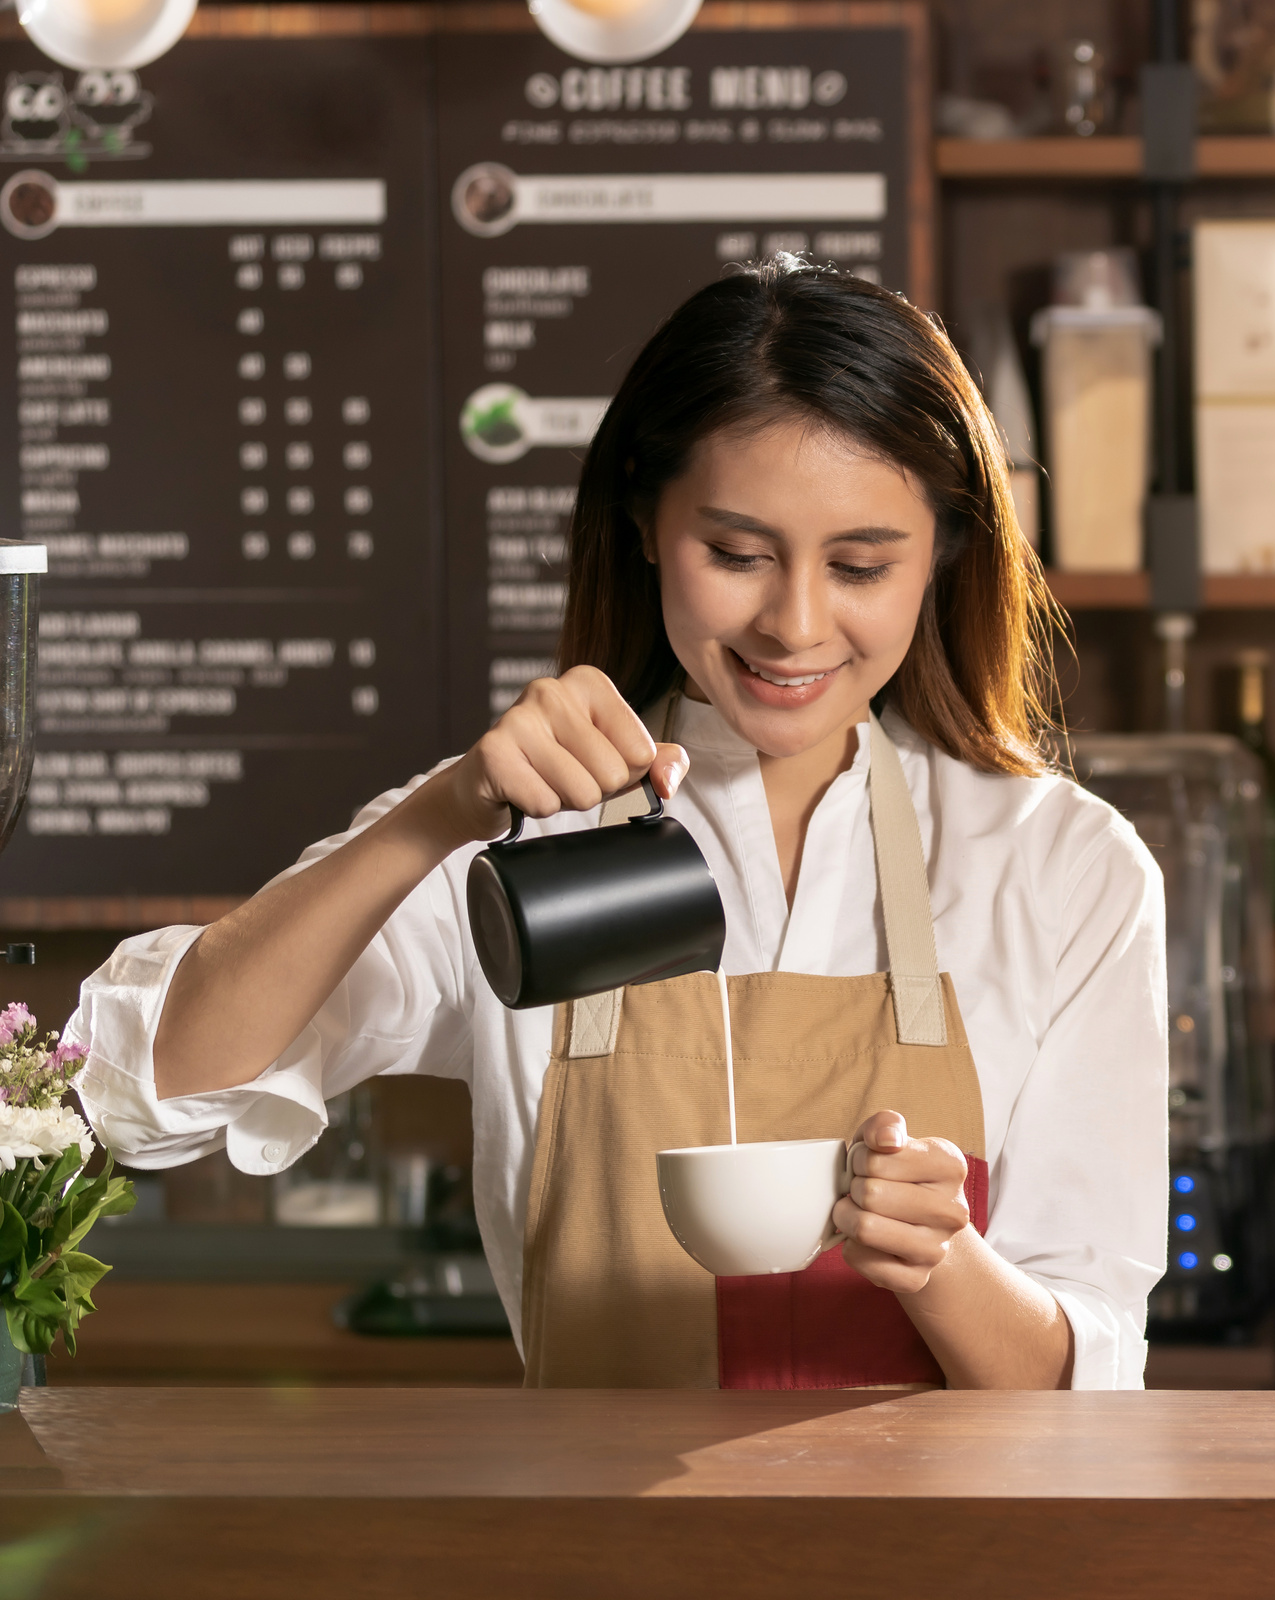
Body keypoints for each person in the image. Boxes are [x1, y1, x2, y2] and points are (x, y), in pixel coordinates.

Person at [68, 259, 1168, 1390]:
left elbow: (1089, 1376)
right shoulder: (514, 835)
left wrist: (943, 1261)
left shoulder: (1062, 867)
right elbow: (143, 1089)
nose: (794, 624)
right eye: (736, 554)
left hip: (940, 1568)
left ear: (941, 553)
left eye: (860, 565)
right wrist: (435, 819)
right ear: (645, 520)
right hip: (604, 1559)